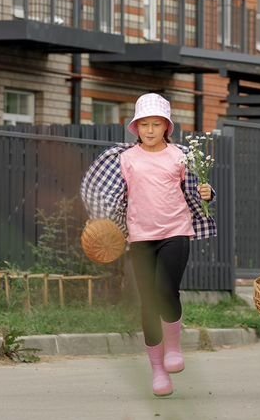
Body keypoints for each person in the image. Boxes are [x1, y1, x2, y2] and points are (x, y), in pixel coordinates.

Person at [80, 93, 214, 398]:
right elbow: (110, 196)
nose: (150, 130)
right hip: (140, 237)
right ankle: (157, 370)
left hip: (175, 232)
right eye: (144, 124)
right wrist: (99, 221)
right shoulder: (126, 159)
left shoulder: (181, 156)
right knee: (148, 302)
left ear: (166, 126)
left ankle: (174, 348)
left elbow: (197, 191)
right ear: (136, 127)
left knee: (166, 289)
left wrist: (208, 193)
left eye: (156, 124)